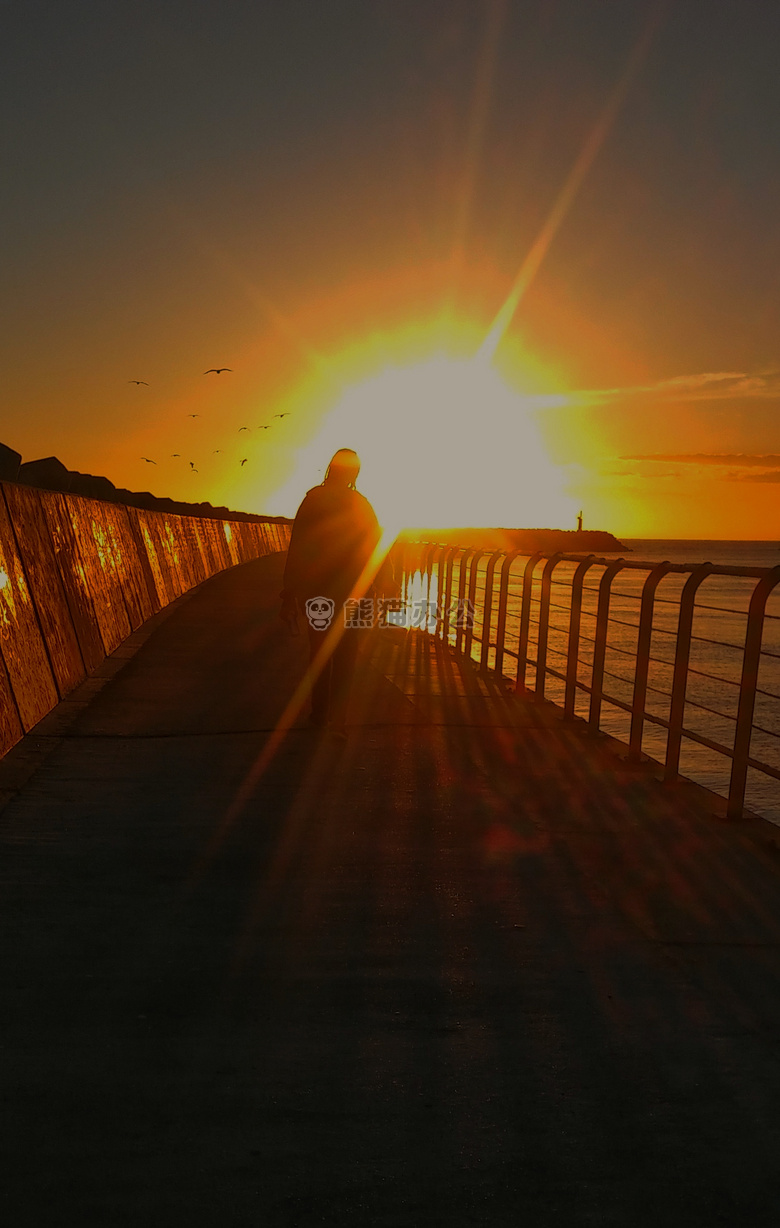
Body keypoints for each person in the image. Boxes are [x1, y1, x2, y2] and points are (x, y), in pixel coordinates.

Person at [280, 448, 386, 732]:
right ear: (355, 473)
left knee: (320, 651)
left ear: (331, 468)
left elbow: (298, 547)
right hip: (355, 590)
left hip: (319, 590)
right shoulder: (362, 504)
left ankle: (319, 716)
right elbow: (376, 546)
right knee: (347, 654)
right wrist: (384, 587)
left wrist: (288, 592)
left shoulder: (313, 500)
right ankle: (338, 718)